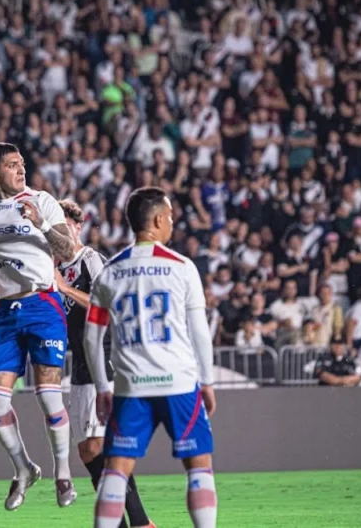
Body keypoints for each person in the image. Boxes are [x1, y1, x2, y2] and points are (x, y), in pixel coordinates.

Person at [84, 187, 218, 528]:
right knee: (199, 465)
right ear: (158, 220)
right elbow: (200, 331)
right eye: (170, 216)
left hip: (132, 386)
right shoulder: (182, 267)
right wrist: (207, 381)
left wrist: (102, 387)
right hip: (179, 383)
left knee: (116, 471)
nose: (172, 222)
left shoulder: (110, 271)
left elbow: (91, 338)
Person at [0, 142, 79, 510]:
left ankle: (63, 474)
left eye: (22, 163)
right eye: (12, 165)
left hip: (43, 304)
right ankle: (24, 468)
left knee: (48, 395)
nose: (21, 169)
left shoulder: (42, 201)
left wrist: (41, 224)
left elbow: (68, 251)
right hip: (6, 312)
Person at [54, 199, 154, 528]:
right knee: (87, 450)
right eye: (55, 228)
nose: (61, 232)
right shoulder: (53, 267)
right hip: (80, 365)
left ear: (78, 227)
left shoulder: (90, 260)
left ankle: (139, 522)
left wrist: (65, 289)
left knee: (105, 444)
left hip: (104, 358)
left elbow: (107, 304)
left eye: (66, 226)